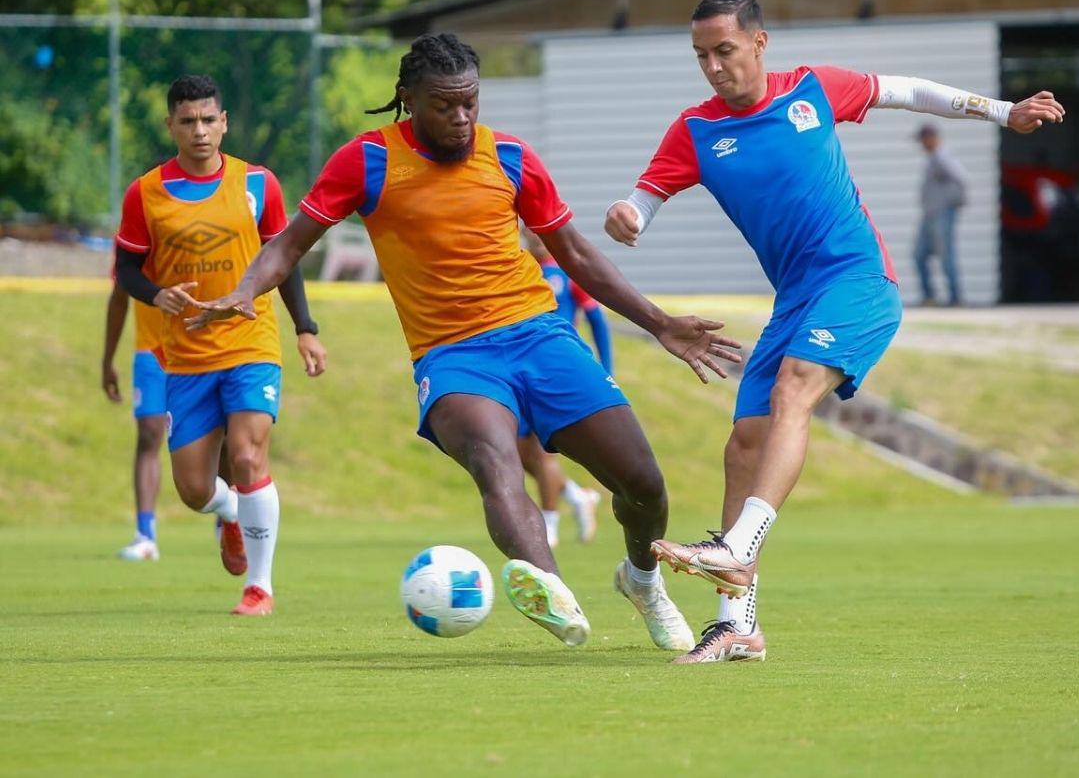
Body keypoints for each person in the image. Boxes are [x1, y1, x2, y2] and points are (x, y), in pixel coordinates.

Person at [187, 34, 740, 650]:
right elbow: (288, 246)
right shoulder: (366, 161)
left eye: (470, 103)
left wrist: (659, 323)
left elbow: (576, 253)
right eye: (445, 105)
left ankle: (642, 581)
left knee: (643, 483)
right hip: (453, 355)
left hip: (540, 334)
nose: (461, 118)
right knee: (496, 465)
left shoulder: (510, 157)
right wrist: (245, 291)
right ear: (408, 100)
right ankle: (555, 596)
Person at [606, 0, 1064, 664]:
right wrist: (629, 216)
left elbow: (906, 91)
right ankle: (737, 625)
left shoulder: (814, 90)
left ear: (759, 44)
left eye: (724, 51)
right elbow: (644, 199)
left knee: (794, 390)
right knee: (744, 445)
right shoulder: (696, 130)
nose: (712, 67)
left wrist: (1003, 112)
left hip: (857, 281)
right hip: (794, 298)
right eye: (701, 55)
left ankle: (738, 547)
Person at [114, 74, 327, 616]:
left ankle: (260, 587)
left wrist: (305, 327)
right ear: (171, 126)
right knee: (191, 489)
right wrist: (157, 294)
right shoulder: (147, 193)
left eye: (209, 119)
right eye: (188, 121)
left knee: (249, 454)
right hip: (185, 356)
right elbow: (127, 269)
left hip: (250, 342)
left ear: (225, 122)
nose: (200, 131)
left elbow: (284, 258)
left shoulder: (259, 184)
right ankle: (229, 510)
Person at [519, 228, 608, 548]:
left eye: (540, 231)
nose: (537, 238)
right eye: (530, 232)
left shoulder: (568, 270)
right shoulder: (519, 268)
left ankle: (549, 527)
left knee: (542, 452)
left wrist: (606, 369)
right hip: (521, 369)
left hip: (555, 371)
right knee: (520, 454)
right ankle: (576, 495)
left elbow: (597, 319)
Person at [102, 254, 167, 561]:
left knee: (221, 437)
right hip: (151, 352)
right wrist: (107, 361)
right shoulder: (133, 235)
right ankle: (145, 535)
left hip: (204, 348)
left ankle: (228, 517)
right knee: (148, 436)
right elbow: (119, 297)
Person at [914, 124, 968, 306]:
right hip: (930, 215)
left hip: (942, 214)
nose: (921, 145)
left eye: (923, 140)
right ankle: (930, 296)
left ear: (930, 138)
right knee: (919, 255)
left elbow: (961, 178)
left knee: (946, 256)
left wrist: (954, 203)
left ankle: (955, 298)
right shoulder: (934, 158)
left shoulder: (943, 157)